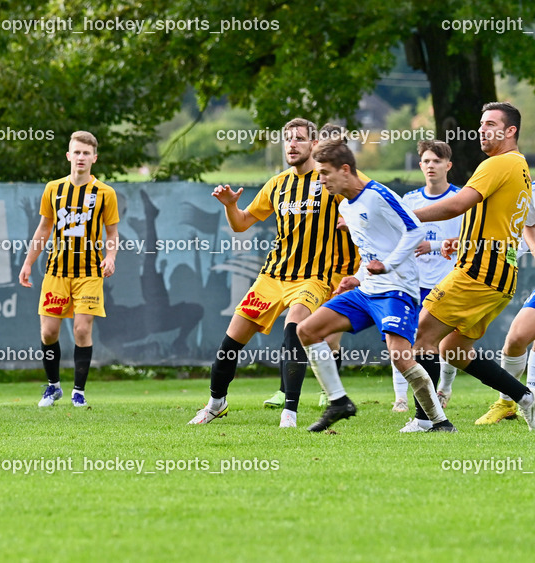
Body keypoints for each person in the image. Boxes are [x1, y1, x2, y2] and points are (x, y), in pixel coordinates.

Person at [189, 119, 343, 428]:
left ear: (314, 144)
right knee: (231, 342)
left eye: (299, 138)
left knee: (294, 329)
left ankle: (290, 413)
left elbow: (367, 201)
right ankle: (216, 403)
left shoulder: (331, 178)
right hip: (274, 276)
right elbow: (241, 223)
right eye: (288, 139)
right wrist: (230, 206)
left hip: (314, 277)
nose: (292, 144)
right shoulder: (278, 183)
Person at [297, 141, 455, 432]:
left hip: (397, 288)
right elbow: (370, 251)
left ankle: (440, 422)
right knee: (307, 330)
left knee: (400, 357)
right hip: (366, 289)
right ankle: (338, 402)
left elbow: (415, 228)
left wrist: (389, 265)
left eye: (325, 173)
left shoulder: (378, 194)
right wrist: (357, 276)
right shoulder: (345, 205)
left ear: (345, 170)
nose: (321, 181)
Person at [412, 102, 535, 431]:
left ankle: (427, 420)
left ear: (510, 132)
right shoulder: (520, 167)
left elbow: (457, 204)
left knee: (423, 332)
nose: (482, 129)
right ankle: (524, 397)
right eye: (481, 124)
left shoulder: (499, 163)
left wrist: (406, 215)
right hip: (500, 275)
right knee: (452, 348)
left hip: (480, 270)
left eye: (491, 124)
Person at [262, 122, 362, 410]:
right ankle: (284, 390)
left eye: (336, 146)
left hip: (344, 271)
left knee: (329, 337)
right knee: (294, 326)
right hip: (314, 270)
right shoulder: (314, 180)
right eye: (325, 145)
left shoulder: (349, 181)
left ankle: (327, 389)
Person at [19, 131, 119, 408]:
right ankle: (53, 388)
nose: (81, 157)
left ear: (94, 158)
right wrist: (28, 263)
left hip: (89, 272)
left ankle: (79, 391)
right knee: (48, 332)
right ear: (68, 156)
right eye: (77, 152)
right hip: (56, 272)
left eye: (86, 153)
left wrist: (110, 257)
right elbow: (43, 229)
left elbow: (112, 234)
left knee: (82, 330)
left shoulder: (105, 193)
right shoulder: (53, 189)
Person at [391, 140, 461, 414]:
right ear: (420, 165)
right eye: (426, 161)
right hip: (413, 283)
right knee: (403, 339)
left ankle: (443, 389)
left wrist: (431, 245)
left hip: (447, 281)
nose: (431, 166)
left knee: (447, 344)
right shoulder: (410, 200)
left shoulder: (460, 199)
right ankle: (400, 397)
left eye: (437, 161)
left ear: (448, 165)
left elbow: (466, 238)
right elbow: (398, 234)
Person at [473, 220, 535, 424]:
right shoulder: (530, 190)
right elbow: (529, 225)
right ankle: (508, 402)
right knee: (516, 339)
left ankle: (530, 397)